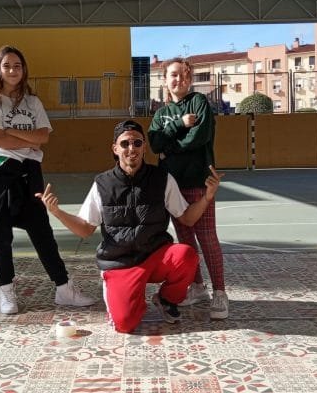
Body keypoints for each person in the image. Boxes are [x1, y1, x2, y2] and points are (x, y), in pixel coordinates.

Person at [35, 120, 223, 333]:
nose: (131, 148)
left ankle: (166, 299)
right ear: (115, 149)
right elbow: (85, 228)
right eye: (125, 144)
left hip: (154, 254)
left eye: (137, 143)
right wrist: (57, 212)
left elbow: (187, 218)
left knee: (186, 256)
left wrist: (207, 197)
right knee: (125, 323)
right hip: (120, 261)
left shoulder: (162, 178)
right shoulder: (103, 184)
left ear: (144, 147)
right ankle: (124, 291)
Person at [0, 45, 94, 314]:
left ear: (24, 70)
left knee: (41, 229)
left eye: (17, 66)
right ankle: (6, 291)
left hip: (29, 171)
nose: (13, 70)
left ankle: (63, 288)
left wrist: (11, 131)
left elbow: (43, 137)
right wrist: (27, 138)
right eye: (7, 66)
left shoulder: (33, 102)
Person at [147, 57, 228, 320]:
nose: (179, 79)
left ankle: (219, 293)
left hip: (198, 183)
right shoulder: (160, 114)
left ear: (190, 79)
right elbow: (155, 143)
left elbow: (199, 138)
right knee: (185, 240)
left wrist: (170, 148)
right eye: (173, 74)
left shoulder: (199, 102)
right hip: (172, 186)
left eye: (184, 74)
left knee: (207, 238)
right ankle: (198, 287)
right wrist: (179, 124)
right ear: (165, 79)